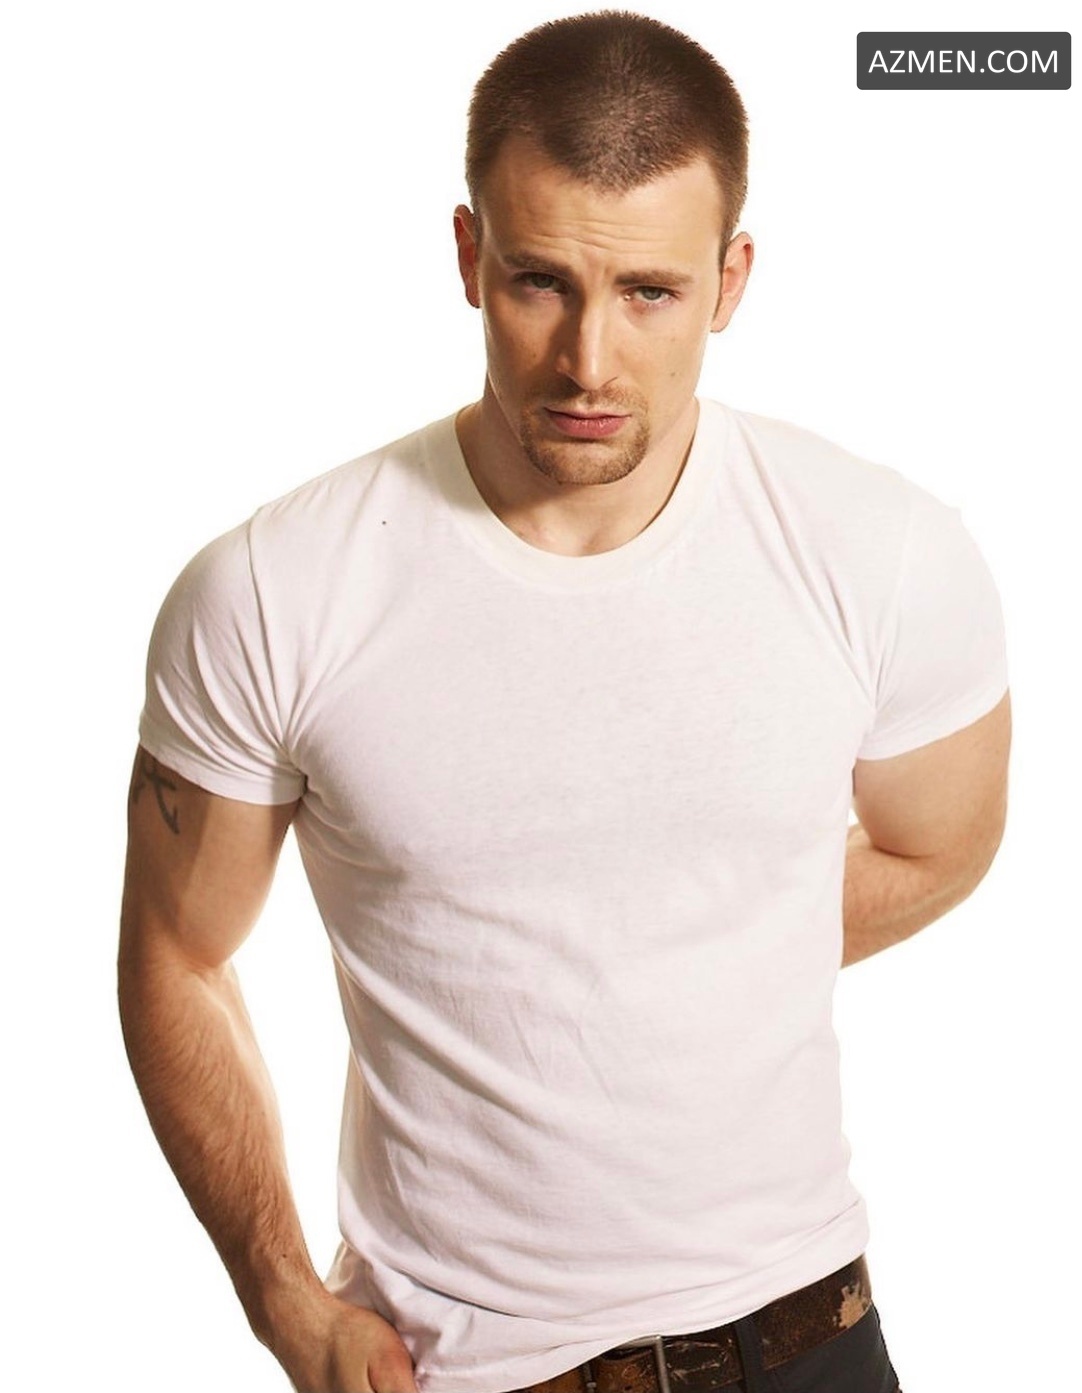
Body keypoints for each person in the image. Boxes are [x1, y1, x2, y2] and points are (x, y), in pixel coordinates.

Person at [118, 12, 1010, 1393]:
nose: (589, 361)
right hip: (467, 1369)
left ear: (730, 281)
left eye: (649, 292)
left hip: (810, 1340)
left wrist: (673, 956)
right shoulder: (273, 590)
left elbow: (941, 840)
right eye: (541, 282)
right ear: (468, 256)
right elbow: (177, 955)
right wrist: (282, 1298)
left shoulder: (880, 551)